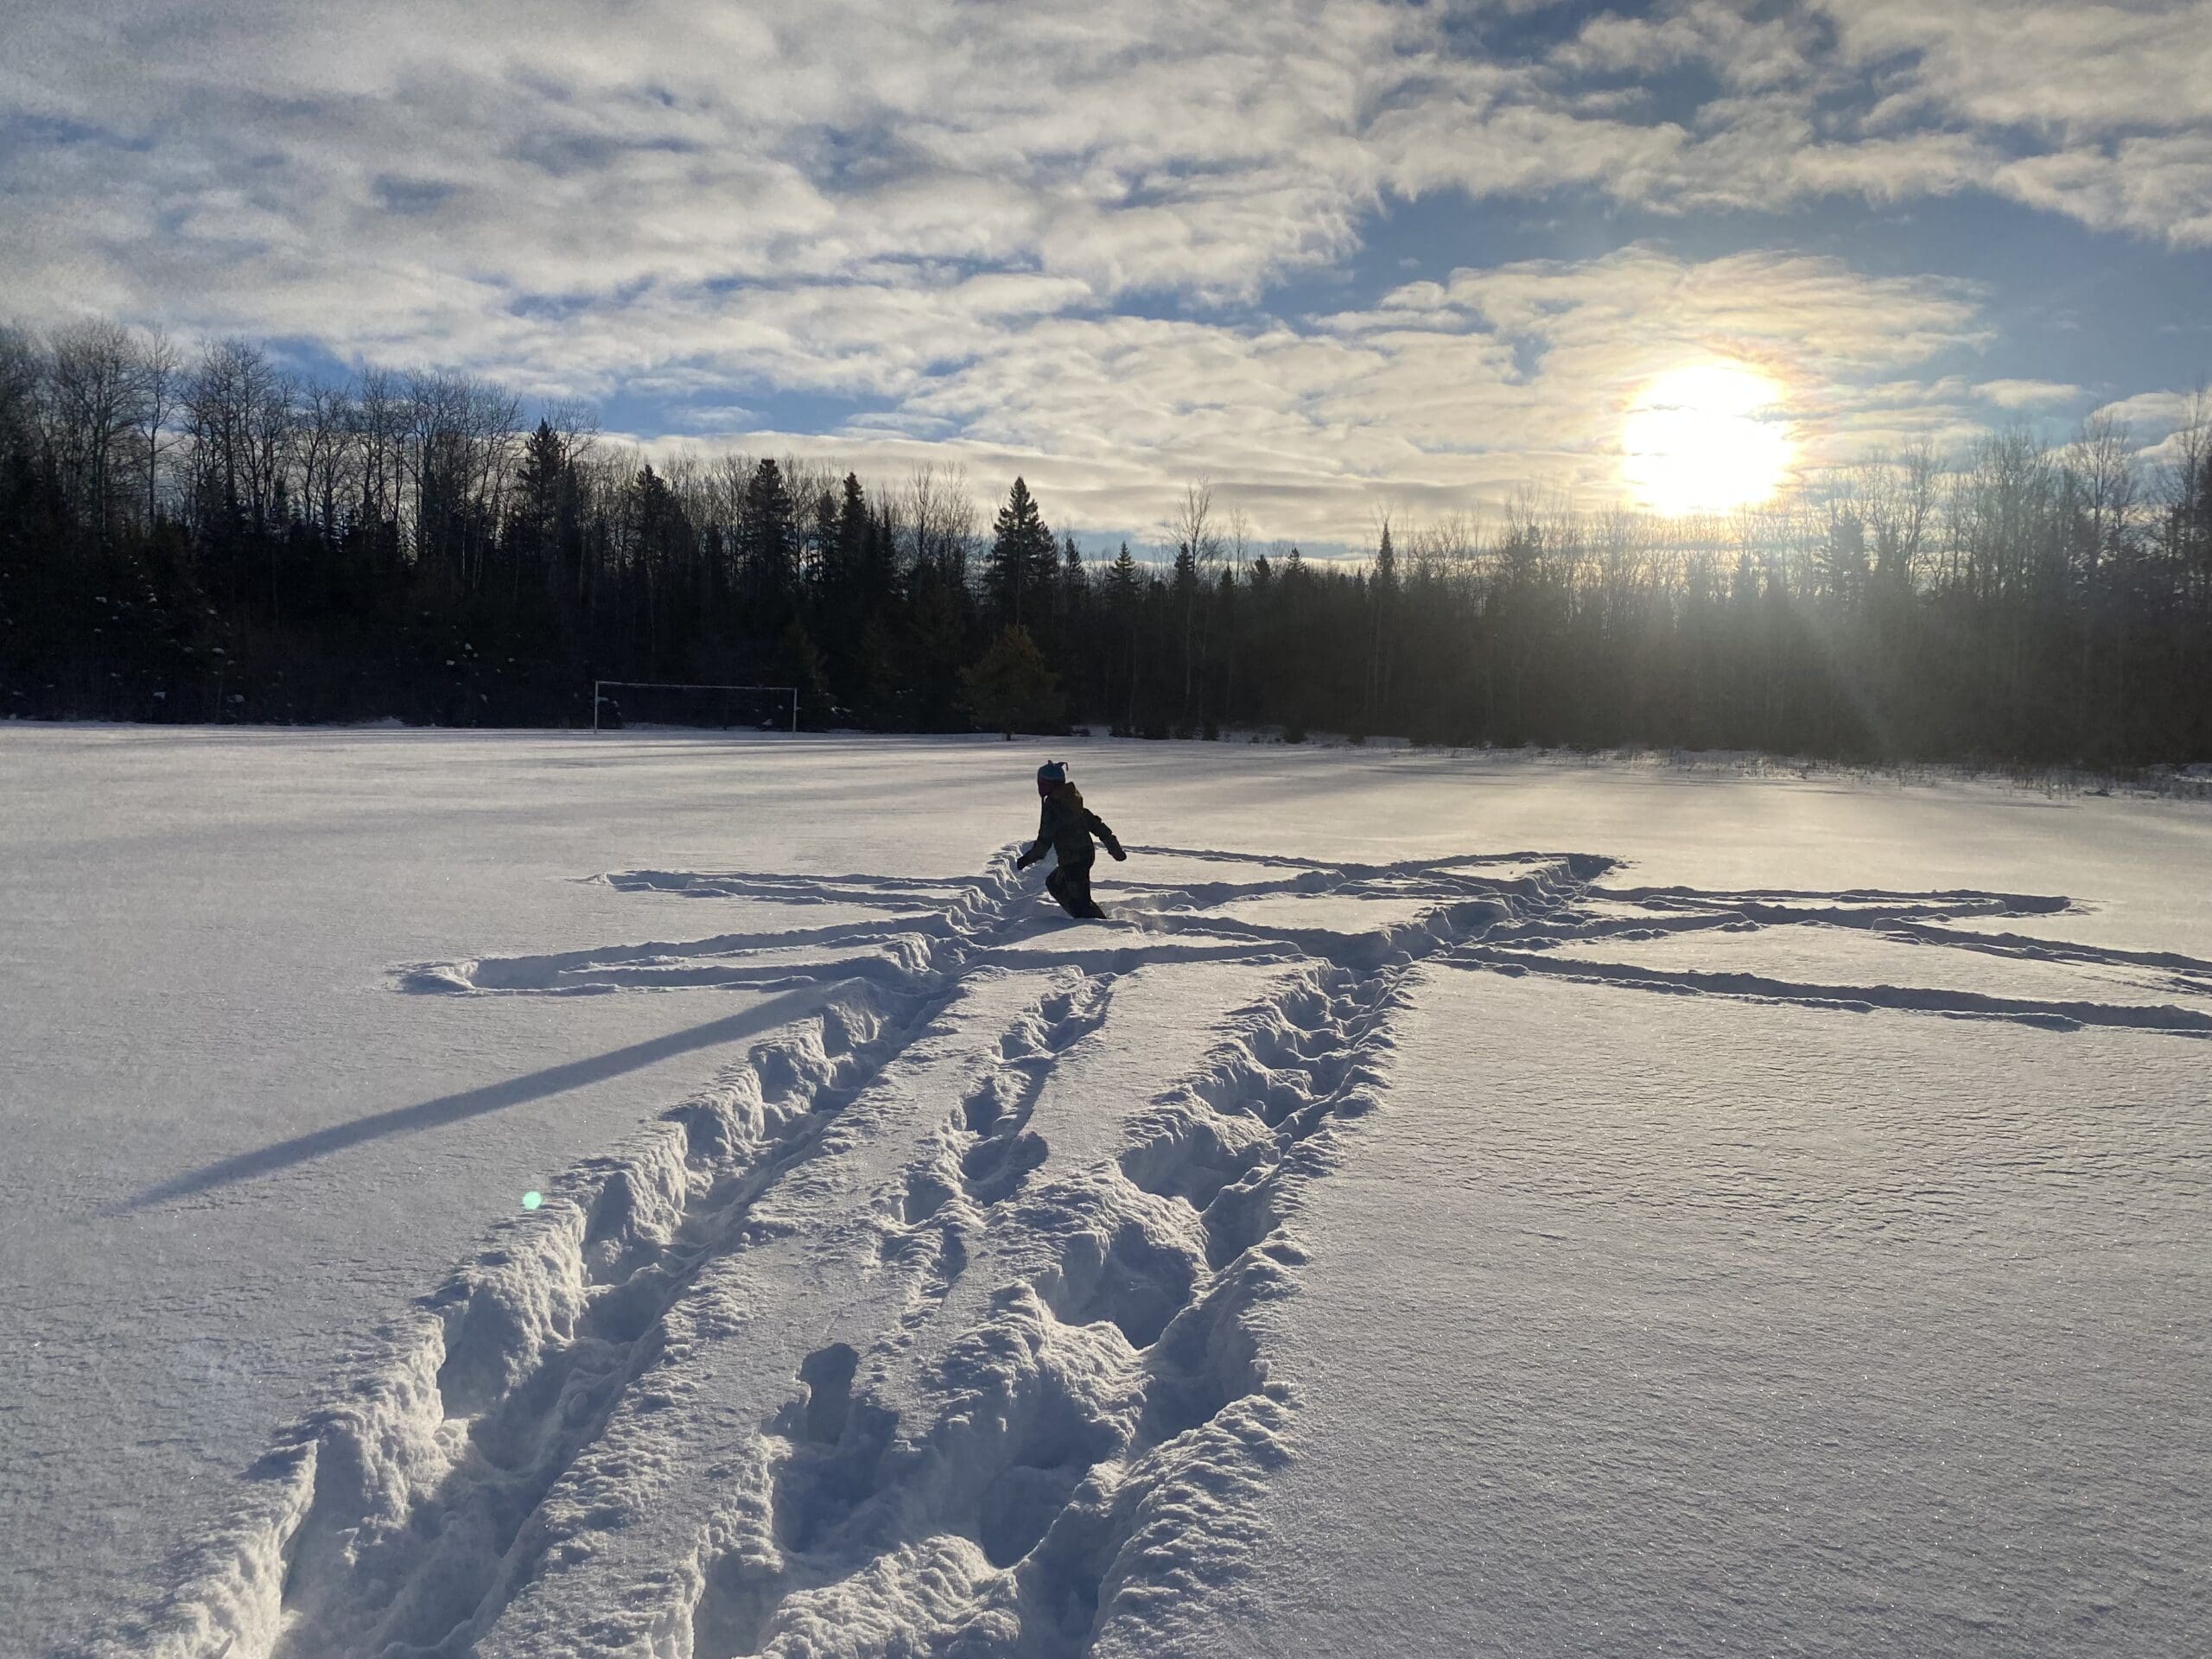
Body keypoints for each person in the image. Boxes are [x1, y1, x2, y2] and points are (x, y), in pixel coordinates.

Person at [1015, 760, 1126, 919]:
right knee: (1054, 882)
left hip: (1074, 861)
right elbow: (1097, 825)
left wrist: (1027, 859)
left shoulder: (1054, 807)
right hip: (1082, 856)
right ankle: (1082, 916)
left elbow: (1044, 841)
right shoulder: (1071, 799)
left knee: (1081, 904)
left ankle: (1097, 927)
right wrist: (1114, 847)